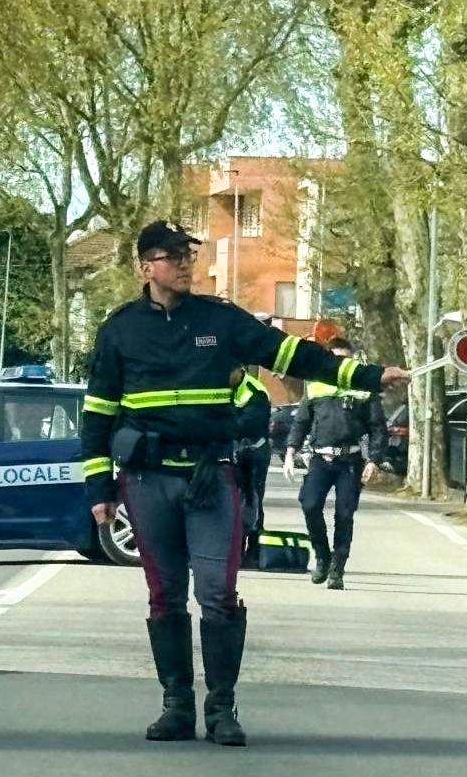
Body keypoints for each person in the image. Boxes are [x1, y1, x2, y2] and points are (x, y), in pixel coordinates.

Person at [79, 220, 408, 747]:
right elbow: (97, 414)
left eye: (188, 256)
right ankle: (176, 705)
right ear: (146, 267)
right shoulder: (119, 330)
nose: (184, 265)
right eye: (172, 257)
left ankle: (221, 708)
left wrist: (366, 376)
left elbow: (292, 354)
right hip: (147, 480)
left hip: (212, 476)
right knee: (165, 595)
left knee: (218, 594)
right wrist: (98, 490)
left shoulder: (221, 320)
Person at [284, 337, 388, 590]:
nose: (341, 364)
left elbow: (378, 428)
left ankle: (337, 570)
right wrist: (290, 451)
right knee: (309, 504)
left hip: (350, 461)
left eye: (345, 359)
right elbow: (302, 421)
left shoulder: (364, 389)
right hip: (321, 458)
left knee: (344, 514)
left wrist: (373, 460)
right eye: (336, 359)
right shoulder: (316, 385)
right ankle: (322, 556)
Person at [232, 353, 272, 569]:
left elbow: (246, 425)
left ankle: (254, 551)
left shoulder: (255, 392)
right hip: (232, 451)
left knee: (253, 498)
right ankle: (234, 550)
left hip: (253, 453)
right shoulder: (221, 385)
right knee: (231, 500)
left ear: (240, 370)